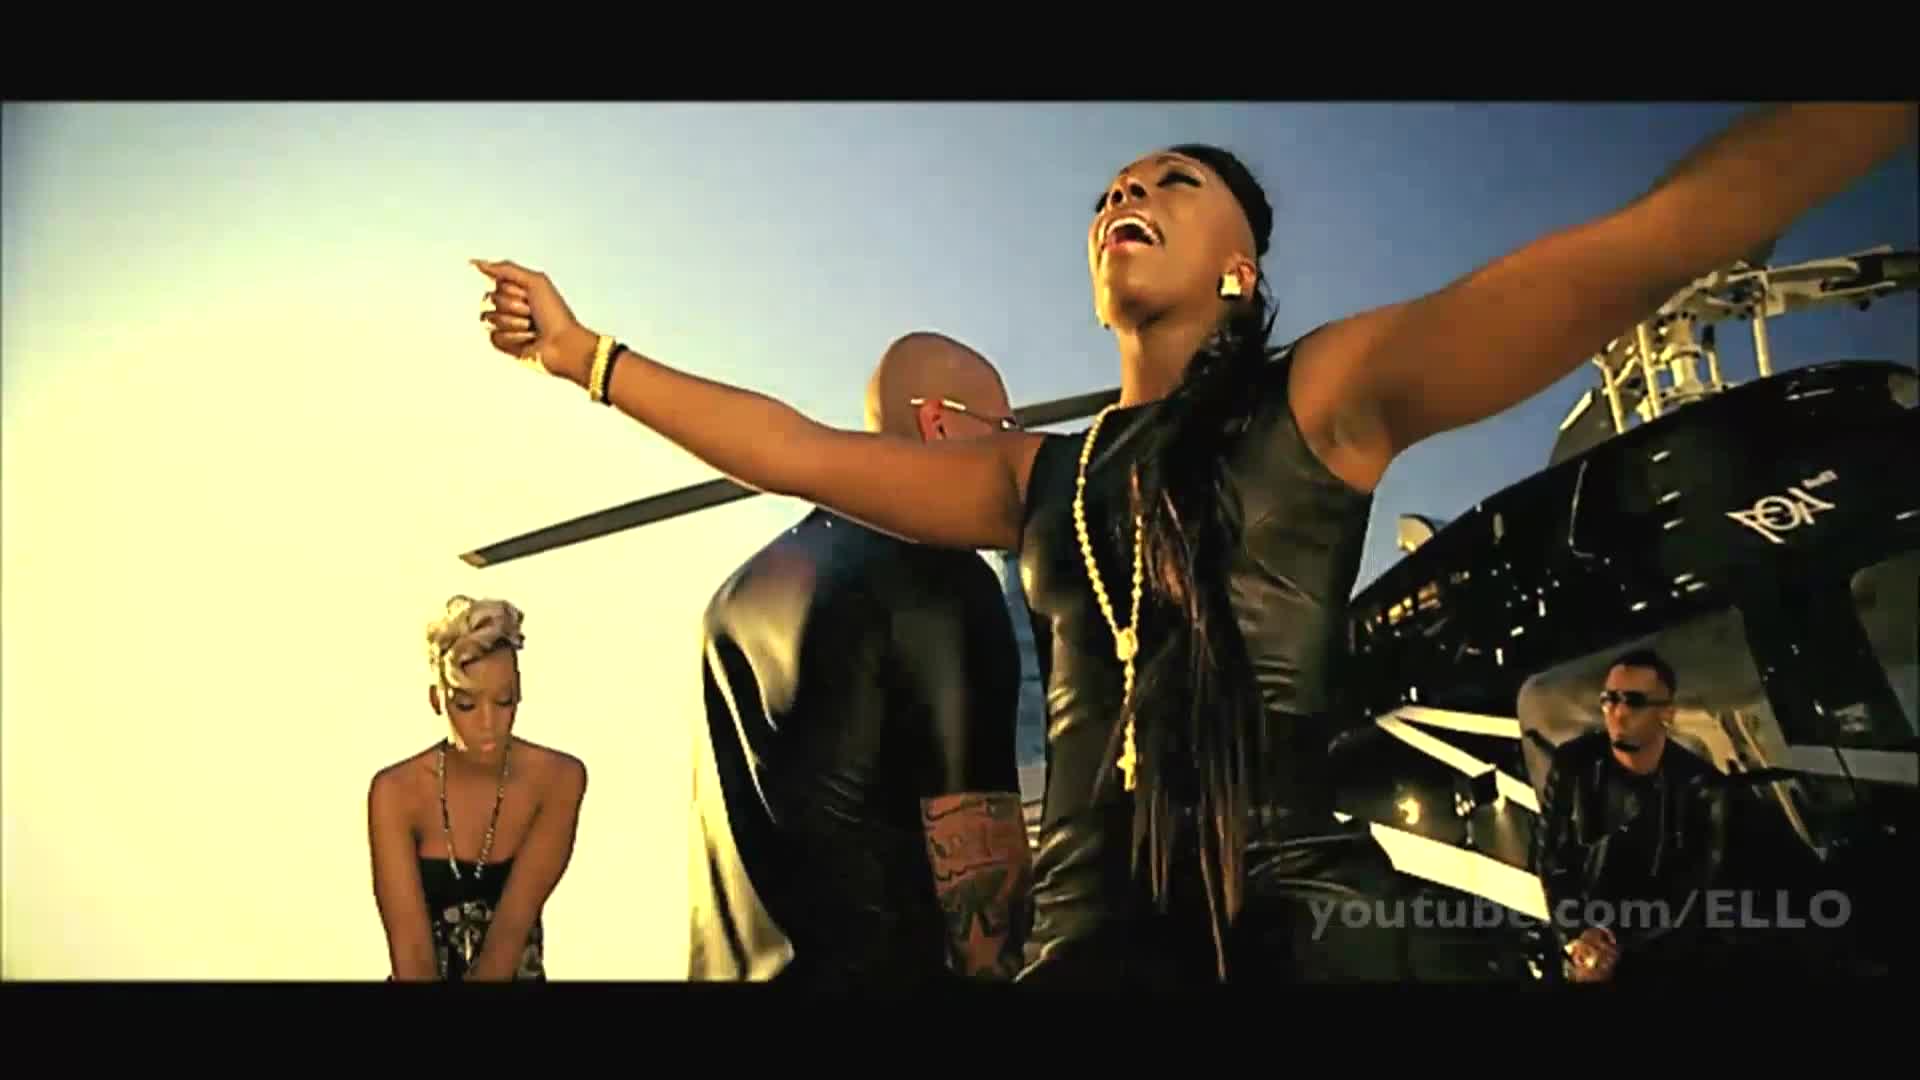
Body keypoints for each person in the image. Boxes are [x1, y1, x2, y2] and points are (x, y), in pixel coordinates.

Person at [470, 103, 1916, 983]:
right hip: (1089, 950)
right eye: (1111, 190)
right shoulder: (1033, 475)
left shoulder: (1326, 395)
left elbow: (1660, 233)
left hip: (1294, 932)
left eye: (1169, 183)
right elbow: (796, 448)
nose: (1126, 197)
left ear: (1240, 266)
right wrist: (591, 358)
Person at [686, 334, 1032, 987]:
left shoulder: (730, 602)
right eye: (1005, 430)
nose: (1014, 455)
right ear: (939, 424)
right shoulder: (943, 579)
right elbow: (984, 905)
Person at [367, 595, 588, 981]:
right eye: (466, 705)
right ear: (437, 699)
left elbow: (509, 937)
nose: (488, 723)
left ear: (519, 691)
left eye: (503, 701)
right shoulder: (396, 793)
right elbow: (411, 959)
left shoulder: (557, 780)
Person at [1530, 650, 1729, 984]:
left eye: (1634, 702)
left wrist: (1610, 936)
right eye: (1609, 700)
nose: (1618, 713)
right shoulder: (1573, 763)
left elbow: (1692, 885)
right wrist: (1578, 933)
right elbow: (1551, 855)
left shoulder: (1700, 786)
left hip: (1662, 953)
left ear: (1667, 712)